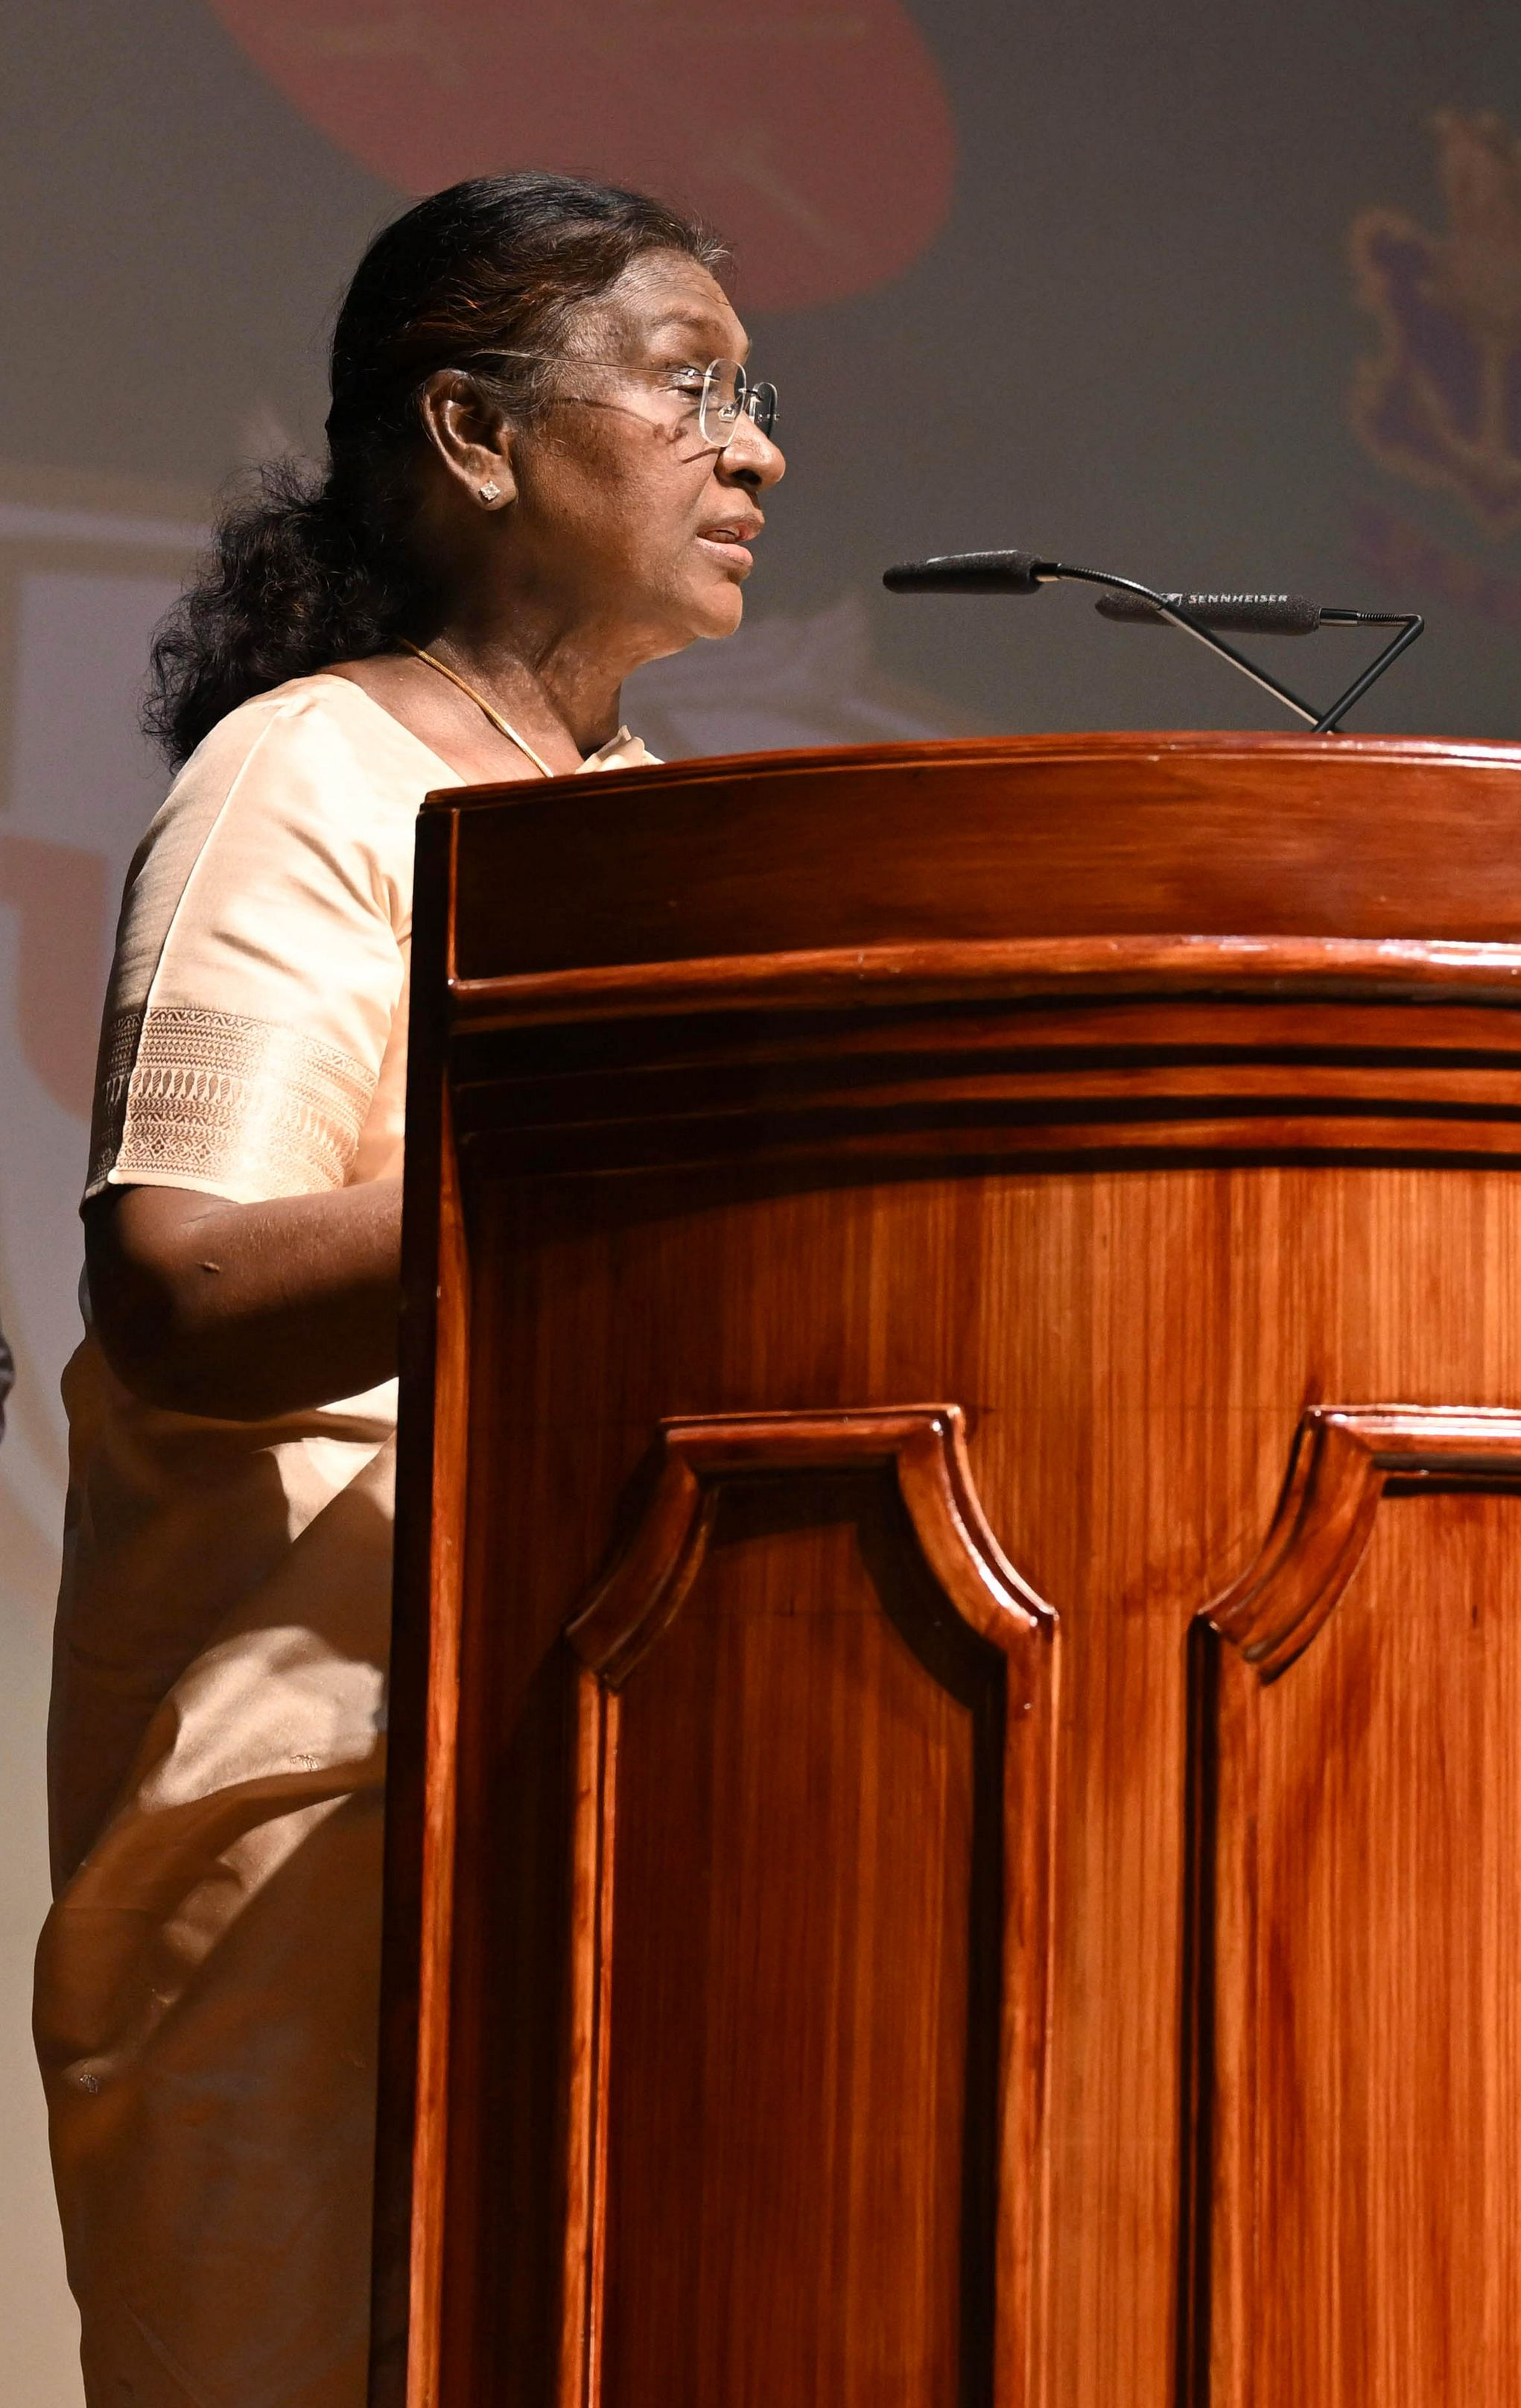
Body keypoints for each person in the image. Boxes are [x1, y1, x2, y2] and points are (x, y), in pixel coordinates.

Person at [34, 171, 784, 2407]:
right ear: (473, 433)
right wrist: (610, 1164)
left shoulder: (639, 823)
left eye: (756, 398)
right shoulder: (315, 774)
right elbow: (182, 1279)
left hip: (596, 1775)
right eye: (690, 389)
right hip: (315, 1816)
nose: (757, 453)